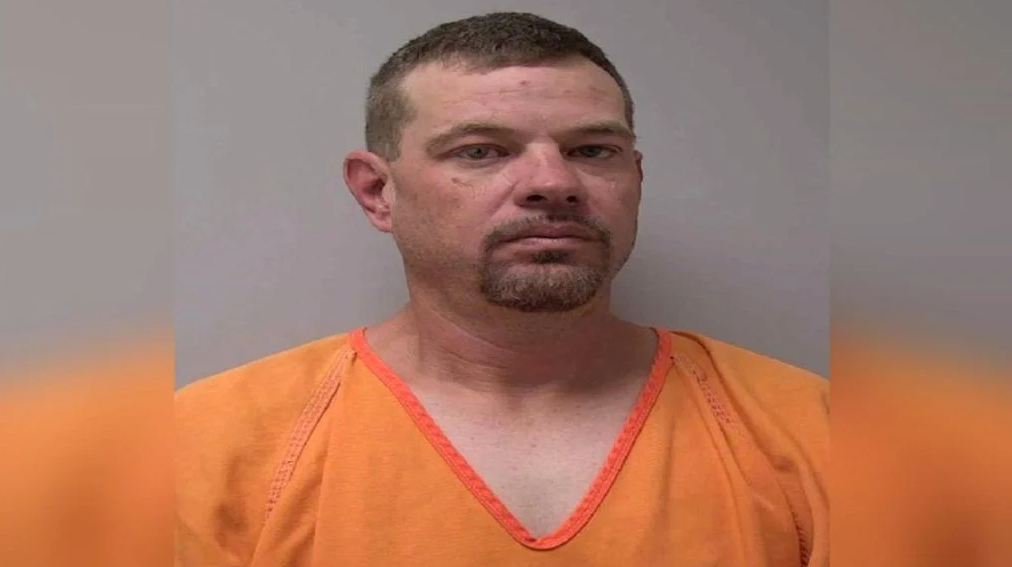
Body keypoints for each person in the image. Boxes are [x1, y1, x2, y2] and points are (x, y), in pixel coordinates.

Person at [175, 11, 829, 567]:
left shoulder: (815, 428)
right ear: (377, 191)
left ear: (635, 177)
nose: (553, 182)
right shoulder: (209, 446)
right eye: (481, 151)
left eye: (592, 150)